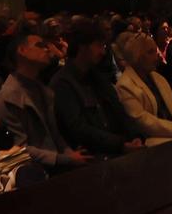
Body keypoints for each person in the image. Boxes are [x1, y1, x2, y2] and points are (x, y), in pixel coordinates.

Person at [0, 33, 91, 171]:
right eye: (39, 46)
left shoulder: (42, 89)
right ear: (21, 51)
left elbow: (54, 133)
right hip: (35, 173)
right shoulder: (7, 97)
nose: (47, 50)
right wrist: (67, 158)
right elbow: (19, 149)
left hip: (57, 165)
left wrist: (68, 152)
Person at [53, 22, 146, 157]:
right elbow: (80, 130)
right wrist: (121, 145)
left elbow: (119, 110)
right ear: (83, 47)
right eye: (99, 45)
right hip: (94, 156)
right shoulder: (63, 83)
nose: (103, 52)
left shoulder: (96, 77)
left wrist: (136, 136)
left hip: (116, 148)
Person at [114, 31, 172, 143]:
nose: (157, 56)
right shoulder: (125, 85)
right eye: (150, 52)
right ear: (136, 57)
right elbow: (143, 122)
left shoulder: (157, 77)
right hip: (151, 140)